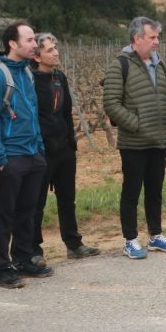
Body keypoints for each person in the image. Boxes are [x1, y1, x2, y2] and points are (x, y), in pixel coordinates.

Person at [102, 17, 166, 259]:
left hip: (159, 139)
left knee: (155, 189)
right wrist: (136, 125)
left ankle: (156, 235)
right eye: (152, 37)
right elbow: (111, 103)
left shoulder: (160, 64)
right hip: (134, 142)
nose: (157, 42)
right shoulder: (120, 65)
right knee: (132, 191)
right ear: (137, 39)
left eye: (158, 37)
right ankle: (130, 239)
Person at [0, 22, 49, 288]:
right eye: (30, 39)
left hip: (32, 154)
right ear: (13, 43)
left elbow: (32, 112)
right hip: (9, 156)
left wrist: (39, 149)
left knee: (26, 211)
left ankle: (22, 259)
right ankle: (1, 267)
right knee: (4, 213)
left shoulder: (27, 73)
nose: (35, 44)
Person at [30, 33, 99, 262]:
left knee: (67, 198)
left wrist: (71, 142)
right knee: (36, 202)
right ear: (37, 55)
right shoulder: (29, 80)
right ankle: (34, 250)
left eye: (56, 47)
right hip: (41, 150)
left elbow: (66, 112)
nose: (56, 52)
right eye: (50, 50)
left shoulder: (60, 77)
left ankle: (73, 244)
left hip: (64, 149)